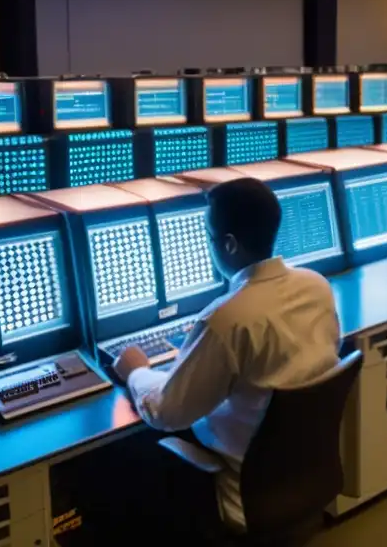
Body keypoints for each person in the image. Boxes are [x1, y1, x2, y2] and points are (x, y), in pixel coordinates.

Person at [107, 177, 341, 539]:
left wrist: (136, 372)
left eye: (209, 238)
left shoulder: (227, 319)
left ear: (229, 245)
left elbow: (167, 412)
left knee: (125, 459)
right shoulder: (316, 287)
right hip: (303, 473)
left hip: (244, 490)